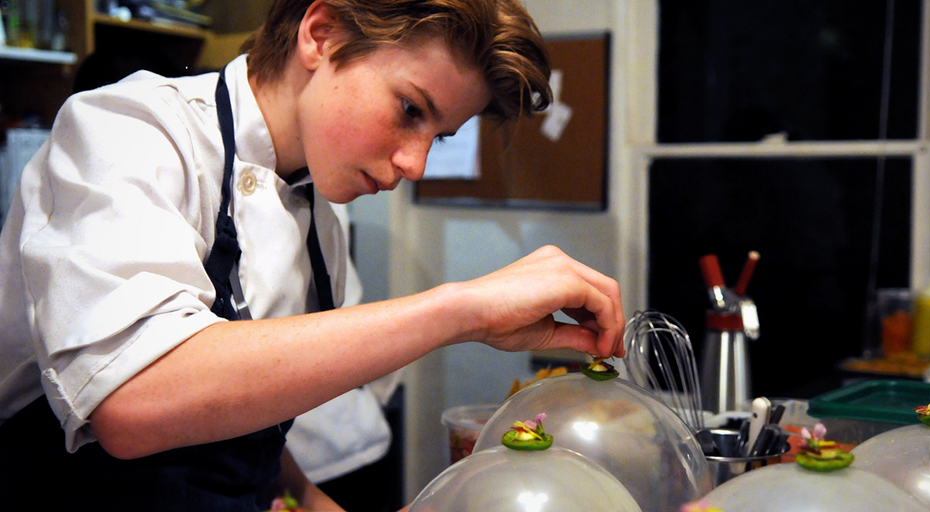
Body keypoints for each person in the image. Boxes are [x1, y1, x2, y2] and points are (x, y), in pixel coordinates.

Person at [0, 0, 625, 510]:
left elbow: (236, 417)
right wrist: (463, 310)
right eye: (410, 110)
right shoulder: (127, 131)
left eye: (439, 136)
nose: (414, 163)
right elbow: (135, 400)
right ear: (320, 35)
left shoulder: (319, 221)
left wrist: (306, 496)